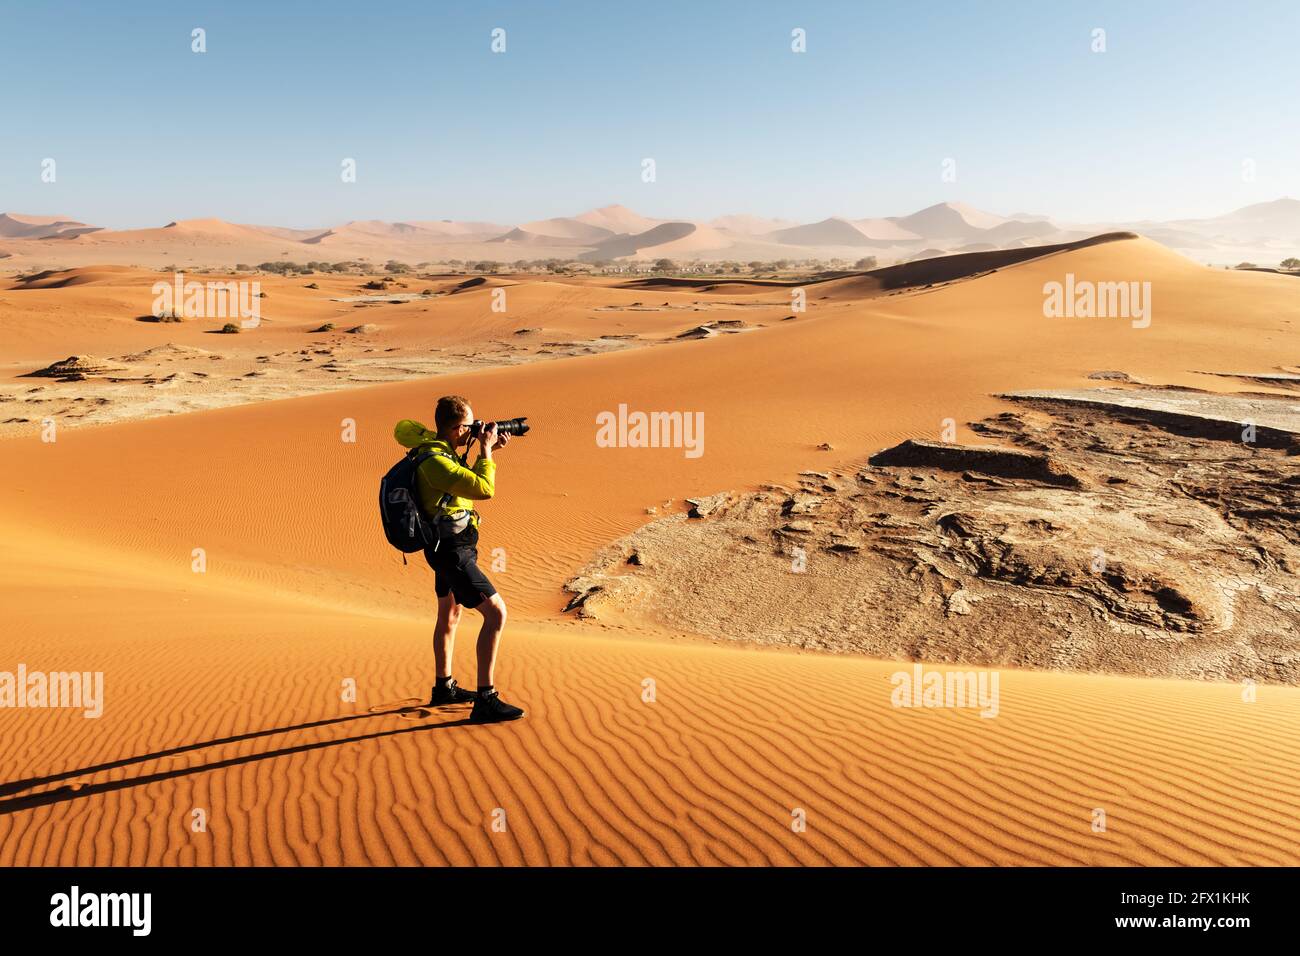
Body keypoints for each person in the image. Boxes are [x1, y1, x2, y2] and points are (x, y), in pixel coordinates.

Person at [393, 395, 524, 723]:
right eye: (470, 425)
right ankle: (486, 699)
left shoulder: (441, 451)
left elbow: (459, 487)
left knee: (449, 615)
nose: (476, 429)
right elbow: (484, 490)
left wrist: (488, 450)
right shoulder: (436, 462)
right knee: (495, 614)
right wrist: (485, 451)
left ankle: (444, 687)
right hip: (451, 552)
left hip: (449, 546)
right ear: (455, 429)